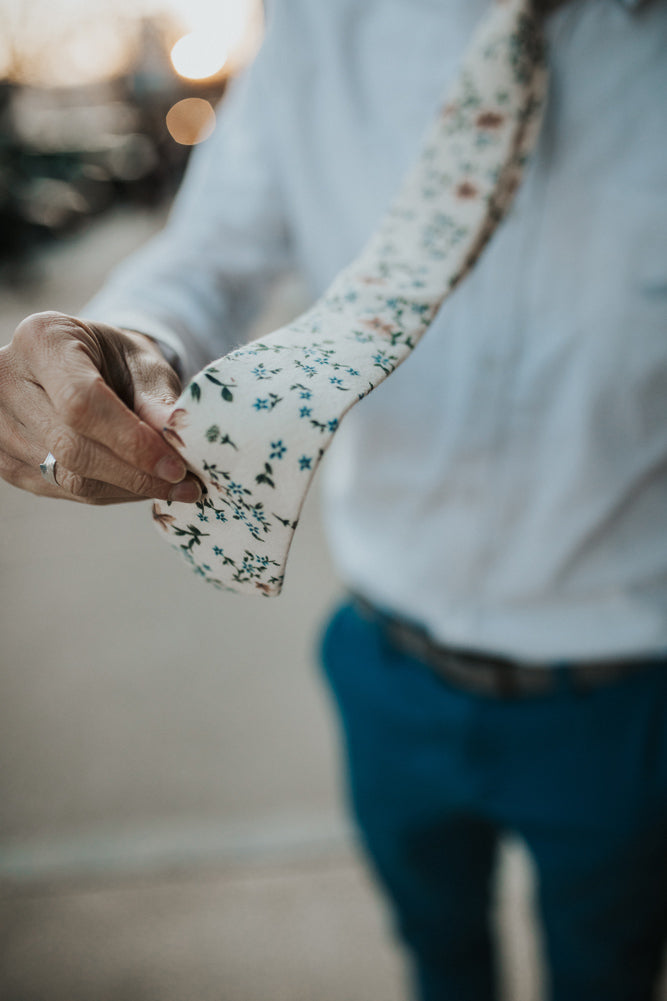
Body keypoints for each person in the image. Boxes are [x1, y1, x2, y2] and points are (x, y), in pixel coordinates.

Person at [1, 0, 665, 997]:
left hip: (627, 696)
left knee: (606, 973)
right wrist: (127, 347)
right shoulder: (325, 23)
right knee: (436, 957)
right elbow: (213, 251)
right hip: (383, 665)